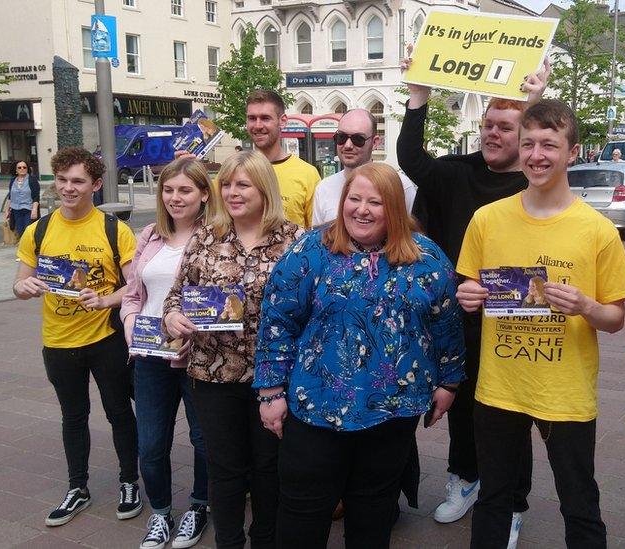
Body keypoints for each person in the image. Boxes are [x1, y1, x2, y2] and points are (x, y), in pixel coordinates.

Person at [456, 99, 625, 549]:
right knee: (494, 499)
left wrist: (585, 307)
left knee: (579, 502)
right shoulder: (487, 219)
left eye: (549, 145)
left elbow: (616, 319)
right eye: (529, 144)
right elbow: (469, 289)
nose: (536, 155)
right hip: (499, 387)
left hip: (565, 391)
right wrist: (468, 296)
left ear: (572, 152)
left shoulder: (597, 230)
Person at [254, 162, 465, 547]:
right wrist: (270, 392)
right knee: (302, 516)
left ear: (396, 210)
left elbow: (446, 325)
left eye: (375, 202)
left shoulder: (427, 259)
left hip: (391, 413)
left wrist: (449, 381)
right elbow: (277, 321)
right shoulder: (310, 251)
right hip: (315, 408)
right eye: (354, 198)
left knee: (373, 514)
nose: (362, 209)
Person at [398, 49, 549, 537]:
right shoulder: (455, 171)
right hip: (457, 314)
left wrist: (536, 99)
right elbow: (411, 159)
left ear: (524, 136)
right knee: (459, 402)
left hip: (513, 316)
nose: (493, 132)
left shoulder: (535, 182)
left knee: (510, 413)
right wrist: (418, 96)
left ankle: (512, 503)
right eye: (489, 123)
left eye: (506, 126)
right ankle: (464, 479)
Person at [163, 151, 302, 549]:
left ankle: (265, 541)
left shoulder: (295, 240)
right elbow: (175, 297)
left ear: (264, 188)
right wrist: (173, 318)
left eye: (243, 184)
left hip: (273, 379)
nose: (232, 192)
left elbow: (311, 307)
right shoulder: (207, 236)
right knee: (224, 470)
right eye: (226, 184)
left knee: (267, 469)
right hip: (213, 374)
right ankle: (228, 543)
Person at [12, 147, 142, 527]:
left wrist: (105, 300)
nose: (68, 189)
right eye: (63, 180)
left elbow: (135, 287)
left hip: (105, 340)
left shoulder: (113, 229)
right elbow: (20, 282)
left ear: (96, 184)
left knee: (119, 412)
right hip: (57, 341)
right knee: (73, 416)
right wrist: (25, 287)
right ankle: (77, 488)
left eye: (78, 181)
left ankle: (129, 481)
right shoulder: (38, 231)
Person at [120, 157, 212, 549]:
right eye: (168, 189)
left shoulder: (216, 239)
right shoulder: (150, 235)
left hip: (198, 358)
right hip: (149, 356)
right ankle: (160, 513)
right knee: (151, 442)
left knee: (203, 439)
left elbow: (219, 304)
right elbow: (132, 294)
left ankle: (199, 506)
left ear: (204, 194)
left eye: (185, 190)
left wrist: (196, 328)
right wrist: (129, 324)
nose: (175, 197)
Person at [311, 108, 417, 227]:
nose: (348, 145)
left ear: (375, 142)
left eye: (358, 139)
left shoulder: (401, 185)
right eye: (341, 137)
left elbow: (412, 236)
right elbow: (318, 239)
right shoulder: (324, 188)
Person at [245, 89, 320, 228]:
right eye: (252, 118)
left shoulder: (308, 174)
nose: (258, 125)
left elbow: (316, 234)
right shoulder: (234, 171)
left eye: (265, 118)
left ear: (283, 121)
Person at [5, 160, 41, 238]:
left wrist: (34, 210)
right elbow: (10, 196)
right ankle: (25, 248)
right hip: (16, 211)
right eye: (19, 167)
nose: (22, 169)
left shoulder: (32, 180)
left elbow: (36, 197)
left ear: (27, 169)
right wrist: (7, 210)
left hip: (28, 210)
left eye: (24, 167)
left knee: (28, 231)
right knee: (20, 231)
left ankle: (31, 248)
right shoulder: (13, 181)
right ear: (16, 170)